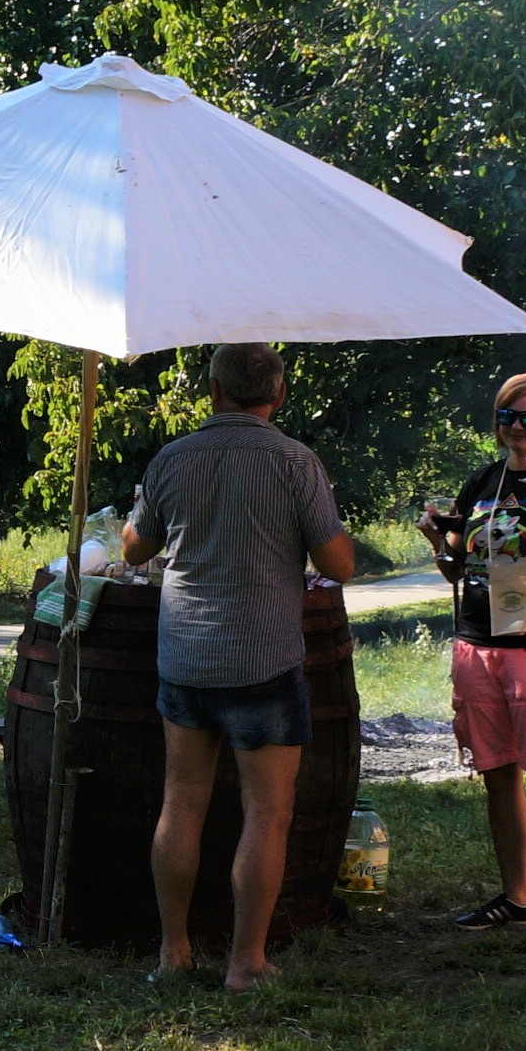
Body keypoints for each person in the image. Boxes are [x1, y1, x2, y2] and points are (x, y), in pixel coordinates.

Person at [122, 343, 355, 991]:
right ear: (278, 395)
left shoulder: (172, 458)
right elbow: (337, 565)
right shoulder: (295, 461)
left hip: (187, 658)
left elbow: (135, 550)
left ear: (214, 390)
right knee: (267, 813)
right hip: (265, 662)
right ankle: (246, 963)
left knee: (181, 802)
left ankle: (173, 954)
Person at [421, 374, 526, 947]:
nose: (519, 427)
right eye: (508, 416)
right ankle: (517, 898)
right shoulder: (482, 481)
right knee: (497, 775)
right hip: (478, 643)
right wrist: (439, 541)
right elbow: (456, 567)